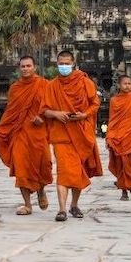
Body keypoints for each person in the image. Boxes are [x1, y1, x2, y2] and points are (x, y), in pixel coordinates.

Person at [40, 50, 103, 222]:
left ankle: (74, 204)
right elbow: (44, 110)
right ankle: (62, 210)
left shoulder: (85, 82)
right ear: (57, 63)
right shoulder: (52, 86)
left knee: (76, 171)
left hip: (81, 133)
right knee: (63, 171)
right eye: (61, 63)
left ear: (73, 63)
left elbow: (95, 103)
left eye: (67, 63)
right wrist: (55, 114)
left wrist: (84, 115)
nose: (64, 66)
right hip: (61, 135)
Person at [0, 56, 51, 216]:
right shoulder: (15, 88)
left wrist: (42, 119)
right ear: (19, 68)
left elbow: (52, 107)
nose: (25, 69)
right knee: (21, 166)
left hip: (38, 133)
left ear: (34, 67)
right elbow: (10, 113)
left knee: (42, 165)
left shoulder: (45, 85)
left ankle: (41, 190)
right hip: (20, 132)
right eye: (22, 66)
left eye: (28, 66)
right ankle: (27, 204)